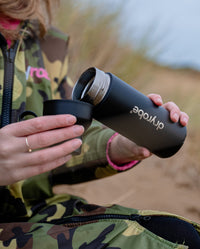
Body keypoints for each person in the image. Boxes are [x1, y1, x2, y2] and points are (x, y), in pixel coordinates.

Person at [0, 0, 199, 248]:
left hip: (34, 213)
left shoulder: (46, 43)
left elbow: (63, 139)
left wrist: (121, 146)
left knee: (175, 237)